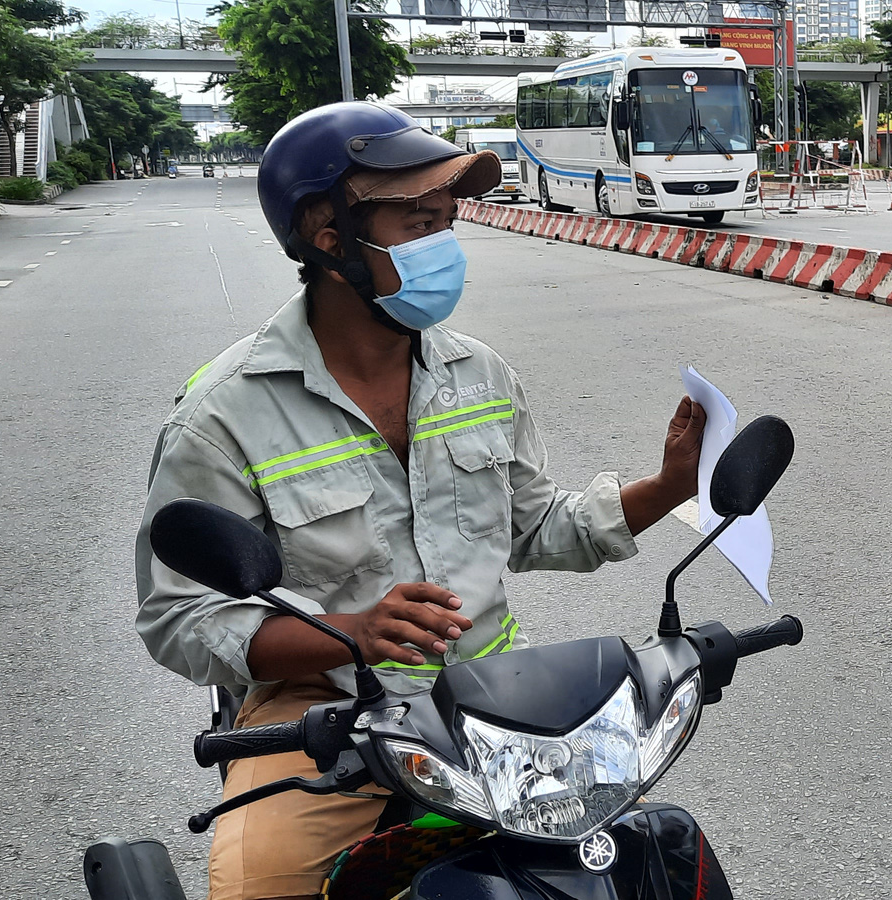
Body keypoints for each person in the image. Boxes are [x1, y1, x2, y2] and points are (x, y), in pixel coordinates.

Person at [134, 101, 706, 900]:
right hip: (329, 710)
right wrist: (351, 634)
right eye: (415, 222)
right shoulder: (223, 414)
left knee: (634, 865)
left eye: (446, 221)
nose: (443, 245)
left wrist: (670, 486)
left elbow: (539, 526)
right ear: (327, 235)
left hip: (497, 704)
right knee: (254, 884)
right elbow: (180, 618)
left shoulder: (480, 374)